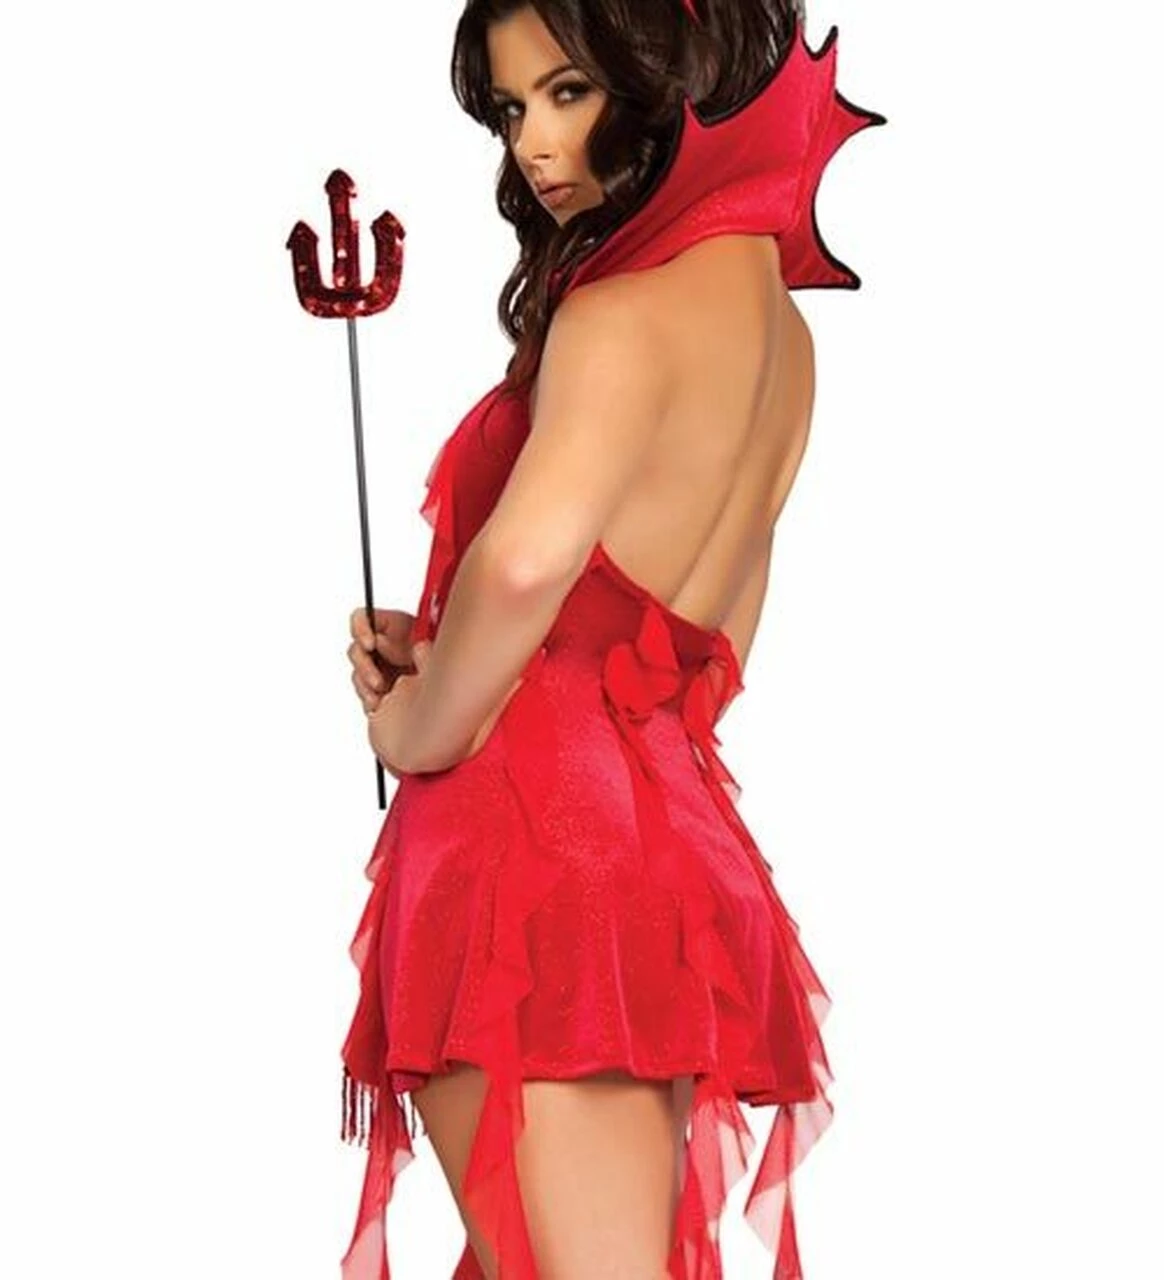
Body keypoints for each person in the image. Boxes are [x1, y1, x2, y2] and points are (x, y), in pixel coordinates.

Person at [340, 2, 884, 1277]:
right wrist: (463, 646)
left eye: (569, 92)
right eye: (512, 108)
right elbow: (712, 630)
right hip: (666, 833)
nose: (533, 144)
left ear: (666, 76)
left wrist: (419, 719)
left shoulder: (616, 312)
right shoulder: (786, 337)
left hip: (531, 851)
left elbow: (526, 562)